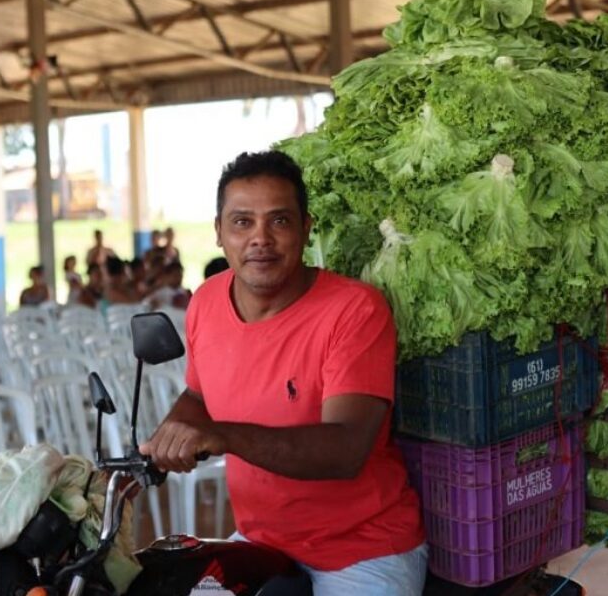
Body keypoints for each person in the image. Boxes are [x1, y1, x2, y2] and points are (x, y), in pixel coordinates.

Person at [141, 150, 427, 595]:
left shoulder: (353, 310)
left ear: (306, 227)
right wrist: (166, 437)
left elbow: (346, 449)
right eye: (242, 222)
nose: (261, 239)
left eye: (279, 221)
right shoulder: (206, 302)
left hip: (361, 551)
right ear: (218, 232)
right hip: (260, 539)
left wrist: (225, 436)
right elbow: (198, 397)